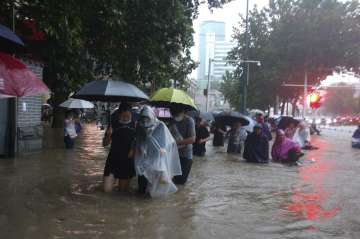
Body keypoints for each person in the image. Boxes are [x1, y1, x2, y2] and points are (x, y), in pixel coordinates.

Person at [134, 106, 182, 197]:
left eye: (147, 118)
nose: (145, 121)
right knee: (142, 186)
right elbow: (139, 139)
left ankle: (154, 202)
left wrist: (162, 149)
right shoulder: (140, 125)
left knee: (155, 183)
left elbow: (167, 141)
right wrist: (141, 146)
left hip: (157, 157)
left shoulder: (160, 125)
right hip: (144, 157)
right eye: (143, 118)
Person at [102, 103, 136, 192]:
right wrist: (108, 135)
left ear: (131, 114)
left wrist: (133, 150)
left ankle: (120, 184)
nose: (125, 118)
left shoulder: (135, 124)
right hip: (113, 159)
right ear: (119, 114)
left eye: (128, 115)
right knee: (107, 190)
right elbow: (105, 144)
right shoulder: (113, 123)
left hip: (127, 161)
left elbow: (139, 141)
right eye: (123, 115)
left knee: (122, 193)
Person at [169, 106, 196, 185]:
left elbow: (192, 139)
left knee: (181, 182)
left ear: (183, 112)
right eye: (173, 114)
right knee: (173, 180)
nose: (175, 116)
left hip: (186, 156)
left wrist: (176, 143)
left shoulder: (189, 121)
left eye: (177, 114)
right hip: (173, 154)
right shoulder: (172, 121)